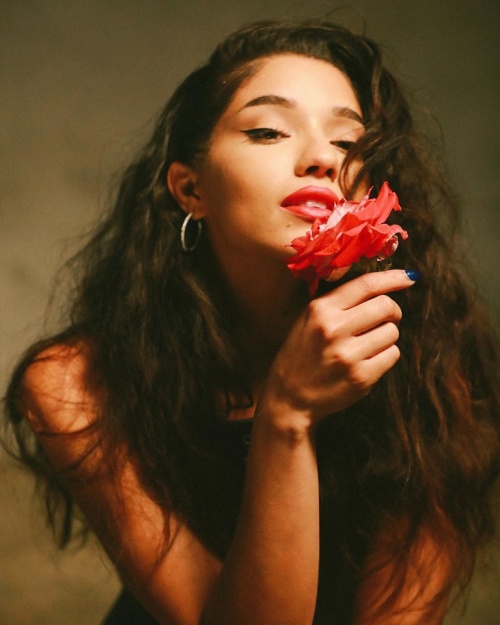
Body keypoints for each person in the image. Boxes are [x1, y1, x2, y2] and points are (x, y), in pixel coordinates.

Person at [3, 18, 500, 625]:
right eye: (268, 131)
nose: (321, 158)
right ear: (190, 189)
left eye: (349, 143)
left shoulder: (433, 366)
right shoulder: (74, 383)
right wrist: (286, 417)